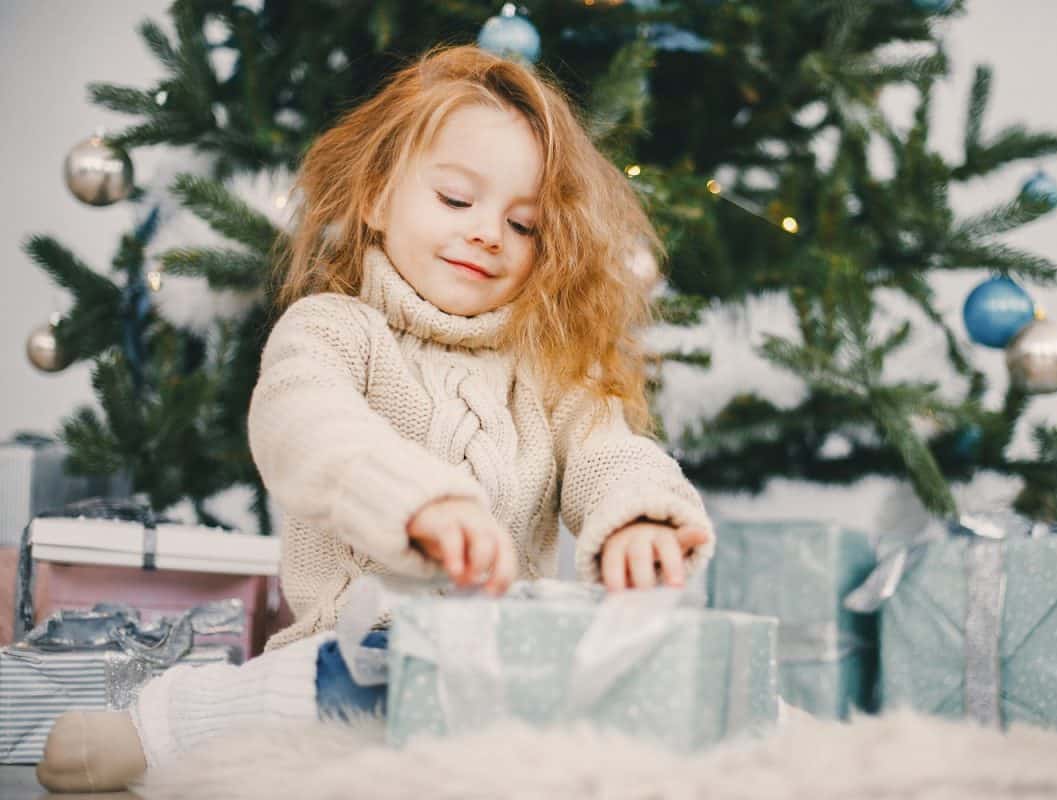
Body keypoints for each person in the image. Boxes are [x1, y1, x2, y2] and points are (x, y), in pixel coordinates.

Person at [37, 45, 715, 792]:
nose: (489, 232)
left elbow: (610, 450)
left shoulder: (547, 370)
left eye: (524, 225)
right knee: (314, 690)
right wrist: (416, 502)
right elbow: (307, 426)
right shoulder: (331, 330)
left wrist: (638, 519)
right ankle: (158, 722)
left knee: (616, 704)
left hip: (499, 662)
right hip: (352, 647)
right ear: (378, 200)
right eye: (456, 200)